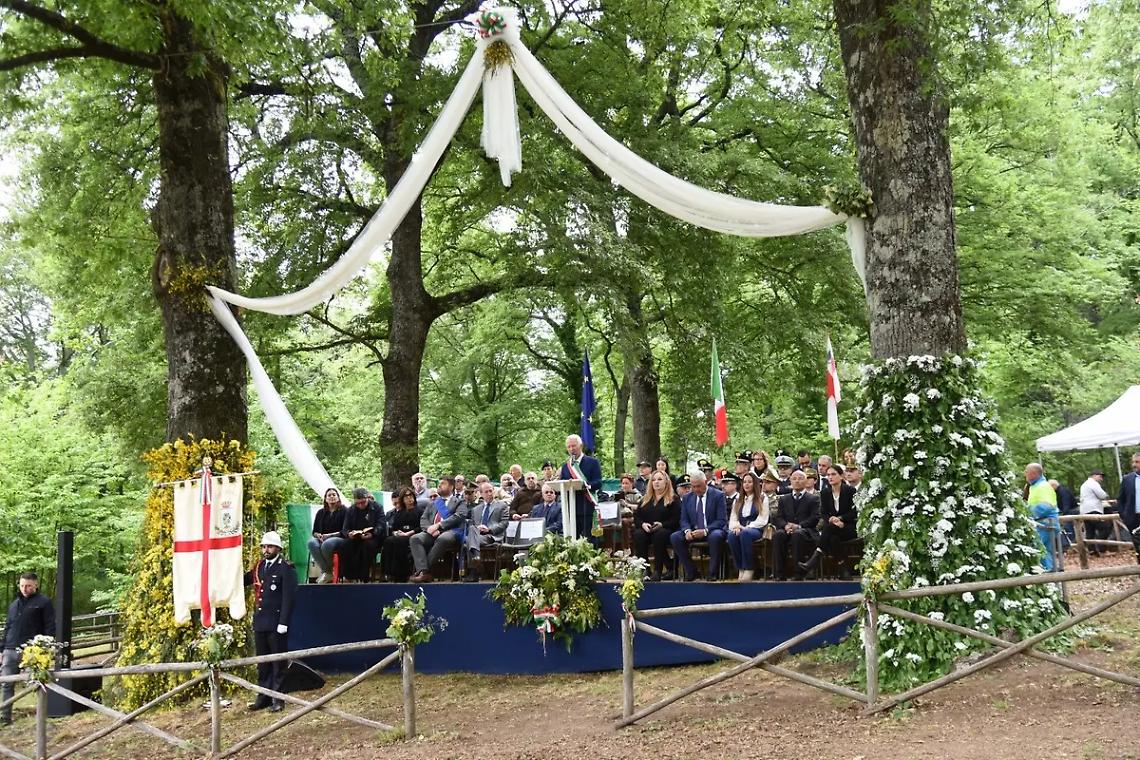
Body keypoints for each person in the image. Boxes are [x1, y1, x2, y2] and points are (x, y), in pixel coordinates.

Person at [244, 532, 297, 712]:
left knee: (278, 662)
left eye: (270, 547)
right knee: (263, 662)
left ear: (278, 548)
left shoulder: (286, 568)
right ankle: (263, 696)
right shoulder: (259, 567)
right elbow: (244, 580)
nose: (266, 550)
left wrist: (284, 622)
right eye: (264, 547)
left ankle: (278, 698)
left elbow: (289, 598)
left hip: (276, 623)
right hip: (260, 621)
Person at [2, 572, 55, 725]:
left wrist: (46, 647)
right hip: (10, 649)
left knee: (37, 682)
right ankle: (5, 716)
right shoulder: (14, 605)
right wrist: (1, 649)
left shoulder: (44, 602)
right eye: (22, 585)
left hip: (33, 650)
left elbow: (50, 626)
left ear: (35, 585)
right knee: (7, 683)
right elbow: (8, 627)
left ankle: (42, 715)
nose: (25, 588)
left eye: (28, 586)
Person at [798, 464, 858, 579]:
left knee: (829, 529)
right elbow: (824, 513)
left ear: (841, 476)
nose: (830, 477)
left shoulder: (850, 491)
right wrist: (831, 519)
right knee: (832, 538)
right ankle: (843, 570)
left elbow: (854, 512)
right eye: (828, 475)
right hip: (832, 528)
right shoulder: (825, 492)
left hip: (848, 527)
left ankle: (815, 559)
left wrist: (841, 519)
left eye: (833, 474)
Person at [670, 471, 728, 582]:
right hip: (693, 531)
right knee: (675, 537)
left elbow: (721, 520)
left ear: (705, 482)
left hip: (711, 530)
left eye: (698, 486)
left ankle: (712, 573)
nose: (696, 489)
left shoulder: (718, 495)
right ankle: (691, 571)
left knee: (716, 536)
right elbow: (684, 519)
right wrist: (687, 531)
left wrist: (705, 531)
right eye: (693, 486)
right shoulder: (687, 498)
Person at [410, 479, 469, 583]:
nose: (440, 485)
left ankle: (424, 572)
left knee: (443, 538)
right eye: (439, 484)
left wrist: (439, 526)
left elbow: (459, 517)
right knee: (415, 538)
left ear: (451, 487)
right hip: (431, 532)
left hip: (451, 532)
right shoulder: (433, 503)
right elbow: (423, 519)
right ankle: (423, 571)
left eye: (443, 483)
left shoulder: (460, 502)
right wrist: (429, 528)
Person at [771, 470, 820, 580]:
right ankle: (779, 573)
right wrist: (786, 526)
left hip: (806, 531)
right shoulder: (784, 499)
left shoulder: (813, 498)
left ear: (806, 481)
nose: (797, 481)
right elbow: (778, 517)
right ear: (790, 481)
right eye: (794, 478)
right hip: (787, 529)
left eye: (800, 478)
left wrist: (798, 526)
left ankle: (799, 573)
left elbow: (815, 518)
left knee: (798, 535)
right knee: (778, 535)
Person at [633, 471, 681, 581]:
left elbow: (676, 519)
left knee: (659, 535)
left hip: (666, 530)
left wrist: (662, 524)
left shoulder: (673, 499)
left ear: (666, 482)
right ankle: (645, 569)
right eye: (654, 480)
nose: (656, 482)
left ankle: (657, 571)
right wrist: (642, 524)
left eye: (659, 479)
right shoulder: (646, 499)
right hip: (648, 529)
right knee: (638, 534)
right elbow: (637, 516)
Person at [727, 472, 769, 581]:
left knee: (745, 534)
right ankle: (740, 567)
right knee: (731, 535)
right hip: (741, 528)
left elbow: (762, 519)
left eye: (750, 482)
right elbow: (733, 517)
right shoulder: (738, 499)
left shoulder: (762, 498)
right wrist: (736, 527)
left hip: (756, 529)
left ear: (754, 483)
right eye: (744, 482)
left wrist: (746, 527)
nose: (746, 484)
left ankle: (749, 568)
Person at [560, 434, 603, 538]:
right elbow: (562, 484)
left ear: (581, 446)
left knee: (589, 539)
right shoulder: (566, 466)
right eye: (569, 447)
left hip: (587, 506)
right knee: (573, 539)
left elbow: (598, 482)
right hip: (571, 508)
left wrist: (586, 485)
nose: (571, 449)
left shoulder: (592, 462)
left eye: (573, 446)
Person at [339, 488, 384, 582]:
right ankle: (349, 576)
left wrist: (373, 533)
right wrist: (349, 534)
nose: (360, 505)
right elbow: (345, 528)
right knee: (344, 545)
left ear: (367, 498)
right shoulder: (351, 510)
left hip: (372, 537)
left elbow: (381, 524)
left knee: (366, 546)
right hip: (356, 537)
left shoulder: (377, 507)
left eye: (363, 502)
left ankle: (364, 577)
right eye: (358, 503)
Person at [381, 487, 423, 582]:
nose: (409, 498)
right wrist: (395, 532)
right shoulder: (399, 513)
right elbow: (394, 528)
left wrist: (409, 533)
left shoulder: (420, 511)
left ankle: (400, 574)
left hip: (413, 535)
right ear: (402, 499)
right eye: (406, 496)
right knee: (388, 541)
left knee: (398, 542)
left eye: (410, 495)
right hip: (400, 535)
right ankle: (387, 572)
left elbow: (422, 527)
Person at [307, 488, 347, 584]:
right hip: (323, 538)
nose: (332, 497)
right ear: (325, 499)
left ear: (338, 497)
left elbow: (345, 531)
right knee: (311, 543)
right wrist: (318, 535)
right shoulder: (320, 512)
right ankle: (328, 572)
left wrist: (329, 536)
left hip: (340, 538)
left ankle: (331, 572)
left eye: (334, 495)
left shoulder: (345, 510)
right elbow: (315, 531)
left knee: (327, 544)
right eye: (329, 495)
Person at [1025, 462, 1059, 571]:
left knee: (1040, 550)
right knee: (1044, 551)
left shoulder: (1043, 486)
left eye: (1026, 472)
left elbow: (1046, 506)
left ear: (1033, 473)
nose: (1025, 474)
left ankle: (1049, 576)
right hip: (1043, 524)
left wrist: (1027, 512)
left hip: (1046, 525)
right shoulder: (1035, 486)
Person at [467, 482, 509, 568]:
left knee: (470, 541)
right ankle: (477, 558)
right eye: (486, 492)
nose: (489, 494)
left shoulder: (502, 506)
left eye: (491, 491)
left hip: (492, 536)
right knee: (471, 529)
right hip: (478, 535)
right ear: (481, 494)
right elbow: (472, 525)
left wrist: (489, 529)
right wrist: (479, 528)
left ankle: (473, 569)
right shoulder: (476, 509)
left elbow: (504, 523)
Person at [1074, 470, 1109, 556]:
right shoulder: (1093, 483)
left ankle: (1092, 550)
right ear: (1094, 475)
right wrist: (1106, 495)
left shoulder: (1084, 484)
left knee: (1090, 531)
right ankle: (1100, 547)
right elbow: (1102, 495)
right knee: (1105, 527)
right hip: (1093, 509)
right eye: (1100, 476)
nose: (1101, 479)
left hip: (1085, 510)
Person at [1120, 452, 1140, 562]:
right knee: (1138, 545)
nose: (1134, 465)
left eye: (1137, 462)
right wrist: (1124, 515)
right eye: (1133, 462)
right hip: (1133, 518)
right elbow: (1121, 499)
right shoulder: (1127, 479)